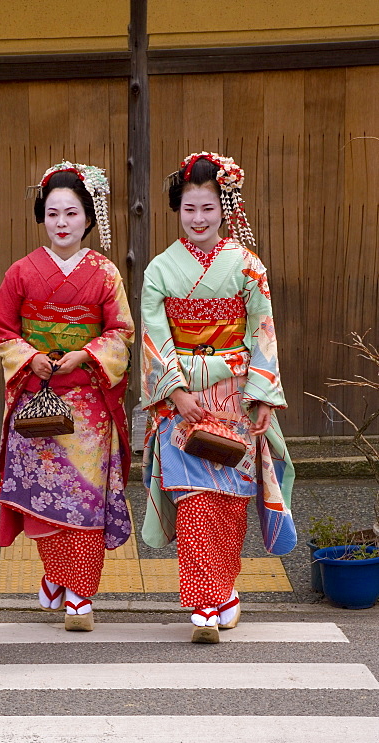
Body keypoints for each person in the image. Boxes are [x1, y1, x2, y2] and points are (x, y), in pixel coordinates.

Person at [141, 152, 296, 643]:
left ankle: (223, 590)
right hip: (181, 398)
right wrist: (177, 392)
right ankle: (203, 597)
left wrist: (264, 393)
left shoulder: (248, 267)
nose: (199, 219)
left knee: (230, 495)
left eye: (207, 208)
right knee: (193, 499)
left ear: (223, 208)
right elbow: (152, 333)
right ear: (178, 210)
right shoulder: (160, 269)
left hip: (234, 391)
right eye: (189, 209)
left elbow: (262, 329)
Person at [0, 161, 134, 631]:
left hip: (89, 406)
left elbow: (121, 331)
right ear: (42, 216)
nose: (62, 224)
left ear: (89, 218)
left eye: (71, 214)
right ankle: (57, 573)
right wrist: (28, 356)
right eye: (53, 214)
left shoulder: (105, 273)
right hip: (38, 398)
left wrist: (87, 354)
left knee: (86, 499)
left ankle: (79, 595)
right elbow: (2, 329)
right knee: (45, 496)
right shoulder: (21, 272)